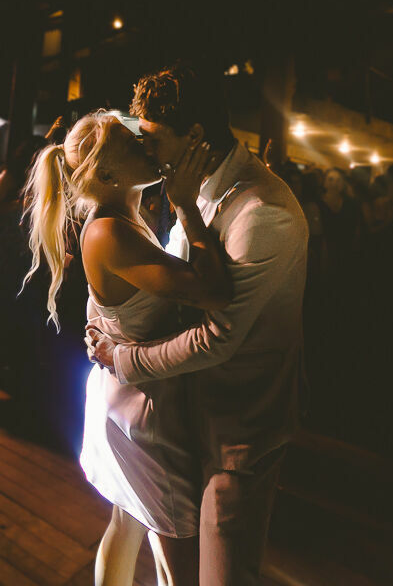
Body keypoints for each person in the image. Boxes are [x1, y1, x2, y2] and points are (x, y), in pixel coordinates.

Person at [87, 64, 309, 586]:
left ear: (195, 137)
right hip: (183, 417)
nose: (147, 150)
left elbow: (217, 336)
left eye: (155, 139)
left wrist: (122, 356)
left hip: (239, 427)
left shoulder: (263, 212)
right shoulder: (195, 187)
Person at [24, 109, 231, 586]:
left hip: (123, 395)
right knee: (178, 550)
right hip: (144, 414)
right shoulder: (109, 230)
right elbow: (215, 293)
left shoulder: (122, 216)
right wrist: (186, 206)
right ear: (110, 175)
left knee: (127, 521)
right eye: (134, 144)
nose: (149, 148)